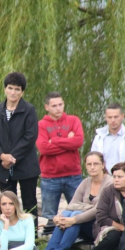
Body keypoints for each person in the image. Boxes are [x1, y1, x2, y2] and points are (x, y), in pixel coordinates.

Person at [44, 151, 112, 250]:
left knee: (74, 214)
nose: (92, 167)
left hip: (99, 226)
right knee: (68, 213)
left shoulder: (109, 183)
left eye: (95, 164)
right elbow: (72, 204)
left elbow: (98, 210)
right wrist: (59, 217)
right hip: (83, 223)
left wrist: (75, 219)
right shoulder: (86, 182)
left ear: (103, 165)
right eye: (89, 164)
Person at [0, 72, 40, 226]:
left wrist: (12, 157)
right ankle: (9, 233)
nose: (13, 92)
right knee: (7, 204)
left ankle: (33, 238)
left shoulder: (29, 110)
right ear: (5, 89)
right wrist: (1, 156)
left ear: (22, 92)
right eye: (10, 88)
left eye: (17, 89)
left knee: (29, 203)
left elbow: (30, 137)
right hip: (3, 166)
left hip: (26, 165)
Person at [74, 161, 125, 250]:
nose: (116, 180)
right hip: (109, 227)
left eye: (120, 177)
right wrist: (122, 228)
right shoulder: (108, 191)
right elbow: (101, 216)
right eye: (114, 177)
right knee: (113, 236)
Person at [36, 91, 84, 220]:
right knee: (49, 215)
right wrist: (68, 142)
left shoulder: (73, 120)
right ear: (47, 107)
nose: (58, 108)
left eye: (60, 104)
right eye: (54, 106)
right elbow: (44, 148)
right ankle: (48, 239)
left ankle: (81, 237)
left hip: (73, 175)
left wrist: (55, 141)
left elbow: (78, 141)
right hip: (50, 178)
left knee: (79, 211)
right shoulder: (41, 125)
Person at [91, 102, 125, 173]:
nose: (113, 120)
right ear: (105, 117)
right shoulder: (99, 138)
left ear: (122, 116)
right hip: (103, 179)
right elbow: (93, 160)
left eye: (116, 117)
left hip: (123, 179)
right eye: (110, 117)